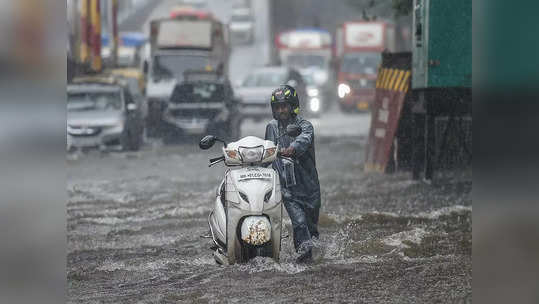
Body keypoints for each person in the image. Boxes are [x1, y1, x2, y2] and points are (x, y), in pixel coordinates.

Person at [264, 84, 321, 263]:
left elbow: (303, 141)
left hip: (309, 188)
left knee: (311, 230)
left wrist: (291, 149)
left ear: (292, 106)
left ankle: (311, 258)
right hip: (288, 188)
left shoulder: (306, 126)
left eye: (284, 106)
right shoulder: (271, 127)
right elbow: (266, 151)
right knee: (299, 223)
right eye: (277, 107)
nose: (281, 110)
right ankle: (303, 262)